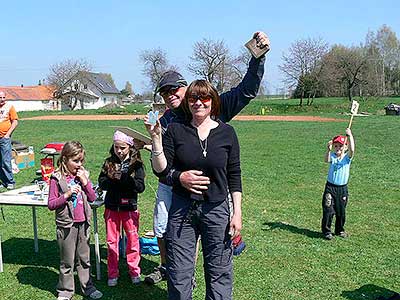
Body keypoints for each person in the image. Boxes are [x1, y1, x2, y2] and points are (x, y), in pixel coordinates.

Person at [145, 31, 270, 285]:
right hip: (177, 194)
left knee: (218, 266)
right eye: (164, 93)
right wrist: (169, 165)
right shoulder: (167, 121)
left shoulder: (212, 106)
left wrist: (258, 58)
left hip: (214, 199)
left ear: (187, 88)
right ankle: (169, 268)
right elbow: (161, 167)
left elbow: (246, 91)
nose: (170, 95)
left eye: (175, 89)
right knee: (168, 238)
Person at [145, 79, 243, 300]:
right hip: (182, 211)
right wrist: (156, 140)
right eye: (193, 98)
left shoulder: (227, 133)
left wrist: (237, 212)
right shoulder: (176, 130)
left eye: (204, 98)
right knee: (179, 274)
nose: (199, 102)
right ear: (187, 102)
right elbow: (161, 171)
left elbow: (234, 176)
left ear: (213, 101)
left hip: (216, 210)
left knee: (219, 272)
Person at [47, 141, 103, 300]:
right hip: (66, 226)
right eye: (75, 161)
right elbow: (51, 204)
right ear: (65, 159)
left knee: (84, 259)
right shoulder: (56, 178)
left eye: (81, 161)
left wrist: (85, 182)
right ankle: (65, 291)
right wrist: (66, 195)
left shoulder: (82, 175)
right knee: (67, 261)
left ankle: (88, 288)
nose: (79, 164)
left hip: (83, 224)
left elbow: (92, 198)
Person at [97, 130, 145, 286]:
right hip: (111, 207)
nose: (119, 151)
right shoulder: (108, 162)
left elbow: (140, 186)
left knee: (132, 241)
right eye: (116, 147)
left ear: (130, 147)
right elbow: (102, 182)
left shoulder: (136, 164)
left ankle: (134, 271)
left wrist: (124, 179)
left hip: (129, 208)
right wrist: (112, 178)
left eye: (122, 148)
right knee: (112, 242)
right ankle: (112, 273)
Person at [321, 128, 355, 240]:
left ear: (345, 147)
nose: (338, 148)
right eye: (336, 146)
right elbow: (326, 160)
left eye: (340, 146)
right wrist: (328, 150)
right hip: (330, 187)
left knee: (341, 211)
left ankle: (339, 230)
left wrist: (349, 136)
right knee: (328, 210)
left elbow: (352, 150)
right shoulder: (333, 157)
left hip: (342, 189)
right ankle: (326, 231)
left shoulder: (347, 158)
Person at [0, 90, 18, 190]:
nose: (2, 100)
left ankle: (10, 181)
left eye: (3, 97)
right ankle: (4, 181)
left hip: (4, 138)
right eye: (0, 98)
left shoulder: (9, 107)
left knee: (5, 160)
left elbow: (15, 122)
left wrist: (7, 135)